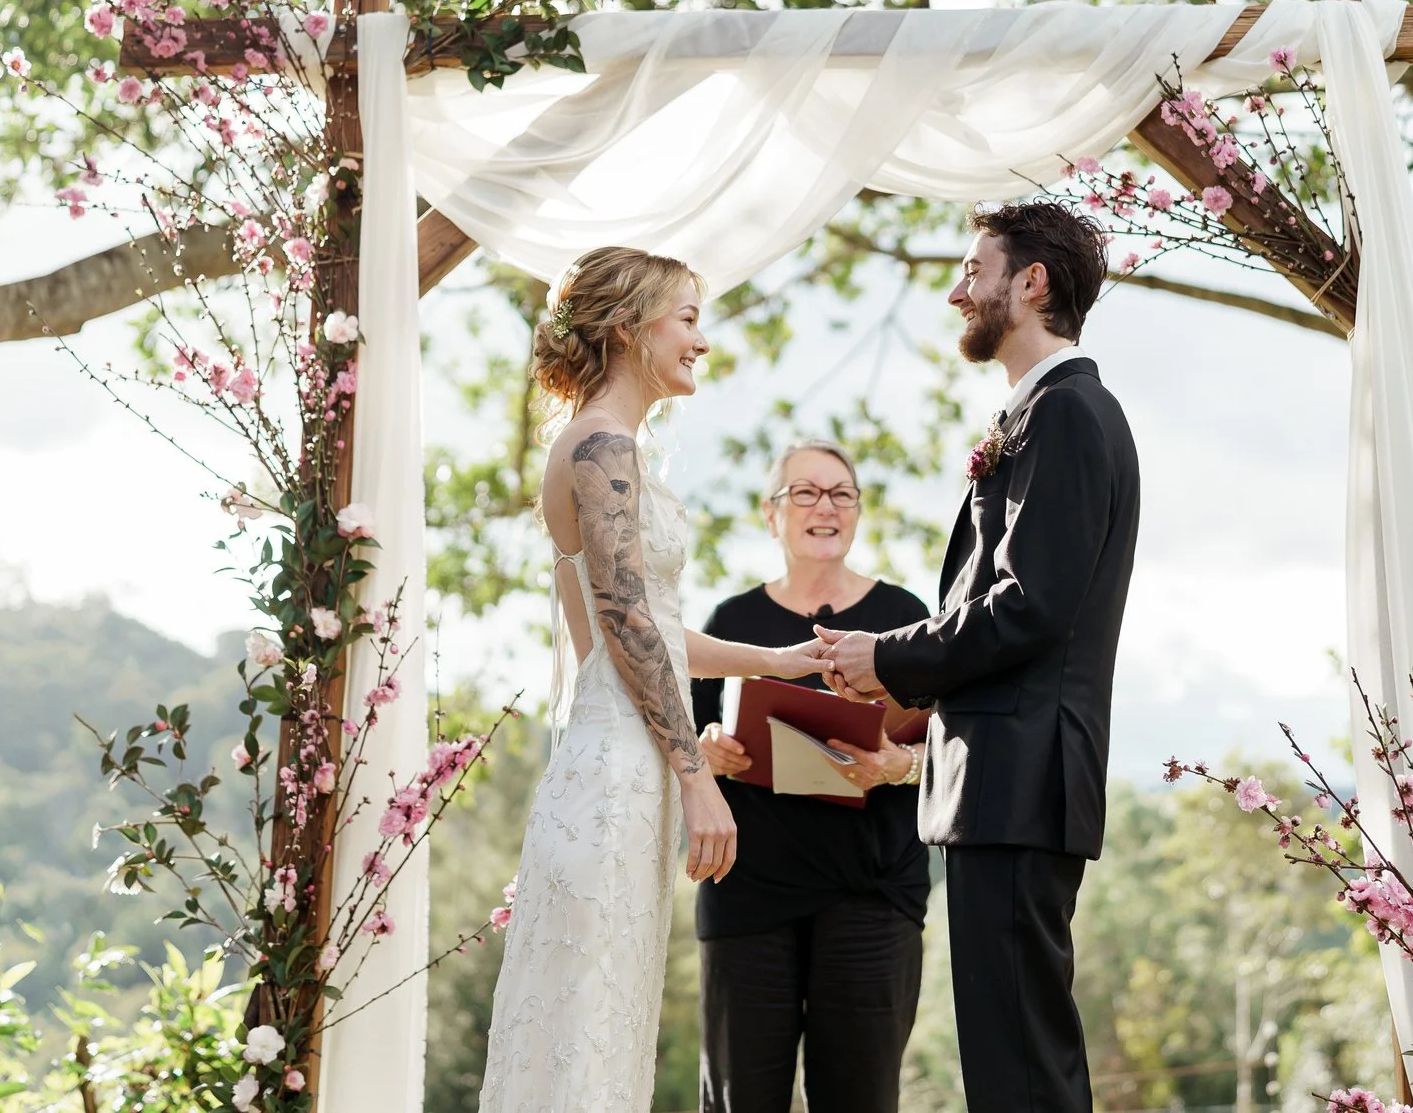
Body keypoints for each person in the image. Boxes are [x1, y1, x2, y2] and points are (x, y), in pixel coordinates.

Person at [478, 247, 825, 1113]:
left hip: (620, 762)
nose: (701, 340)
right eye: (688, 318)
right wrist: (696, 774)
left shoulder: (606, 444)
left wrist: (775, 662)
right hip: (620, 774)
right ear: (629, 329)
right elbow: (628, 624)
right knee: (586, 1028)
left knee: (606, 1021)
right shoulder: (601, 446)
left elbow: (638, 631)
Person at [811, 201, 1141, 1113]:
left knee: (1023, 1065)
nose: (958, 290)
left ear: (1030, 283)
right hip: (1000, 782)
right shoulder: (1047, 412)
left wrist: (892, 654)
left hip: (1019, 779)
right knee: (1011, 1060)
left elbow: (1030, 606)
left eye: (974, 269)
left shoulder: (1070, 415)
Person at [690, 440, 933, 1113]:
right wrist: (707, 749)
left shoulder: (908, 618)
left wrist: (899, 764)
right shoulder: (729, 624)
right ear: (772, 516)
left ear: (857, 514)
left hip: (873, 899)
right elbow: (681, 741)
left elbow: (959, 742)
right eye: (804, 491)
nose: (824, 505)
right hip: (746, 899)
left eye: (841, 493)